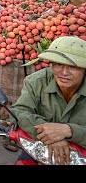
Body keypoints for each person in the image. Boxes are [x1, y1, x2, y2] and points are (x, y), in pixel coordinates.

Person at [9, 36, 86, 165]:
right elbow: (19, 112)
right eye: (58, 64)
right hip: (42, 149)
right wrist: (51, 138)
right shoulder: (36, 81)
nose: (64, 72)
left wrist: (69, 130)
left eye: (73, 66)